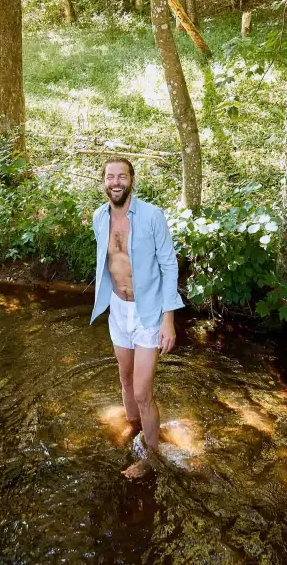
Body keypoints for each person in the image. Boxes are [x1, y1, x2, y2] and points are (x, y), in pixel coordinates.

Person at [89, 157, 185, 478]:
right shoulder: (99, 218)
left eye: (122, 176)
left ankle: (150, 458)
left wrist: (168, 319)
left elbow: (169, 266)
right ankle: (134, 431)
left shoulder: (152, 216)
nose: (116, 182)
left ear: (132, 179)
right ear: (103, 181)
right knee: (124, 377)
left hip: (148, 311)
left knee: (143, 391)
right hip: (118, 309)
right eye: (110, 176)